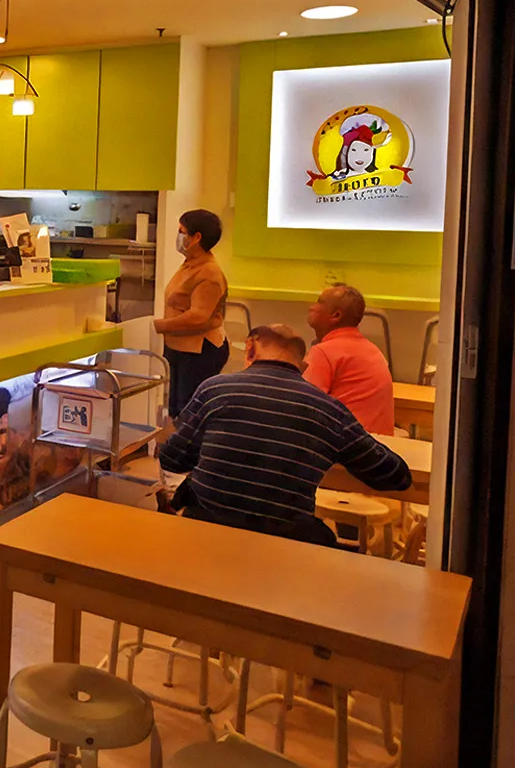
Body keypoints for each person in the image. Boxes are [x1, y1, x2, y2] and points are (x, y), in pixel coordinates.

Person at [159, 324, 411, 547]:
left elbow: (172, 458)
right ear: (303, 366)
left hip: (205, 529)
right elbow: (394, 476)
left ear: (249, 350)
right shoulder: (329, 410)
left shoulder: (214, 389)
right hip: (286, 544)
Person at [154, 209, 230, 418]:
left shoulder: (209, 273)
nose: (177, 237)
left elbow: (198, 316)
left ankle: (191, 450)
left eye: (181, 231)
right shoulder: (189, 265)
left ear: (197, 238)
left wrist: (158, 326)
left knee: (190, 411)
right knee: (176, 408)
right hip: (179, 346)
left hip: (199, 351)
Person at [304, 284, 395, 436]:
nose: (311, 307)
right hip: (379, 449)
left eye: (319, 302)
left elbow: (304, 406)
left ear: (336, 316)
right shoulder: (373, 350)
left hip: (348, 451)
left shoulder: (324, 352)